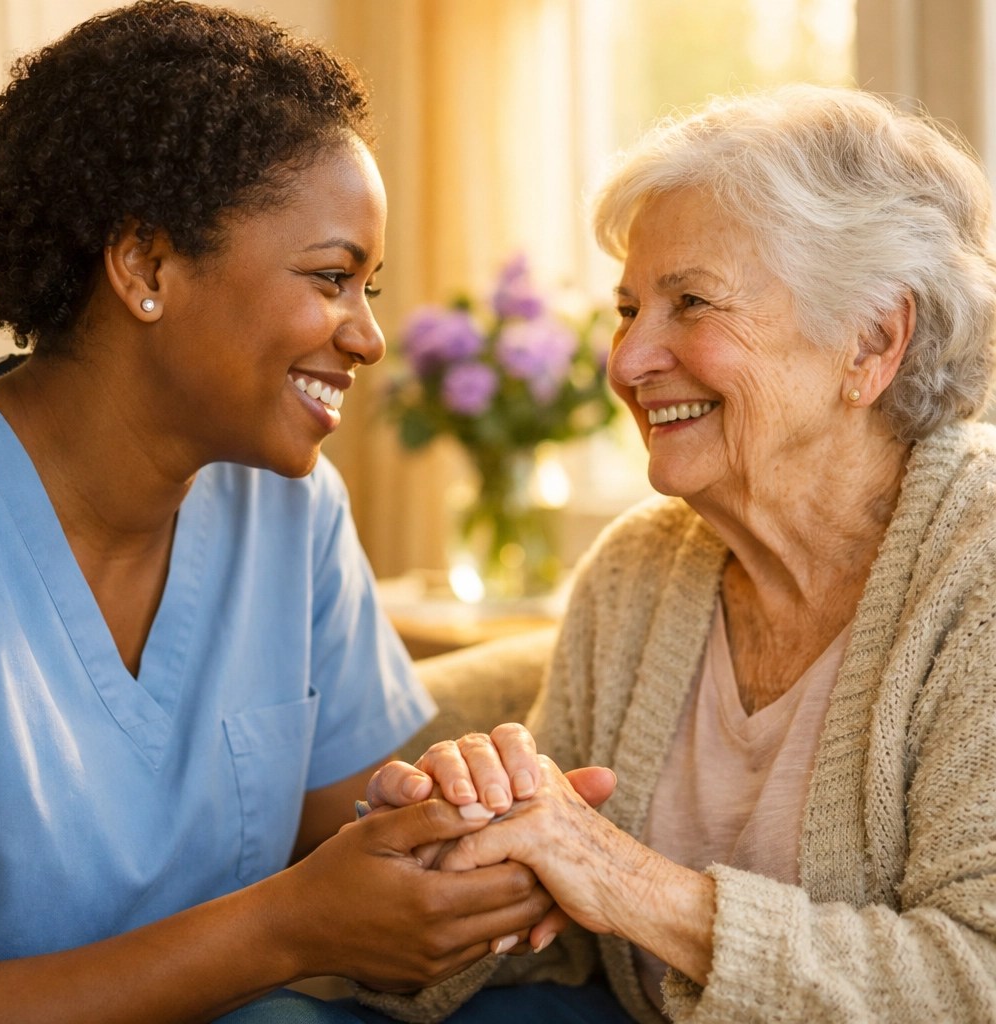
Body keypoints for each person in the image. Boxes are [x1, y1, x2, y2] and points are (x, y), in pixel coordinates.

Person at [0, 2, 563, 1020]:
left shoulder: (291, 509)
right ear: (146, 265)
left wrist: (458, 845)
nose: (369, 338)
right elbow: (299, 920)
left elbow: (349, 837)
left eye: (371, 288)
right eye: (332, 278)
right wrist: (283, 929)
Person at [359, 85, 996, 1023]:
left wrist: (626, 879)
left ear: (872, 341)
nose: (626, 362)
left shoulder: (977, 571)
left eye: (691, 302)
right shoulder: (637, 571)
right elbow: (565, 921)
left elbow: (977, 976)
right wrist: (456, 857)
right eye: (629, 309)